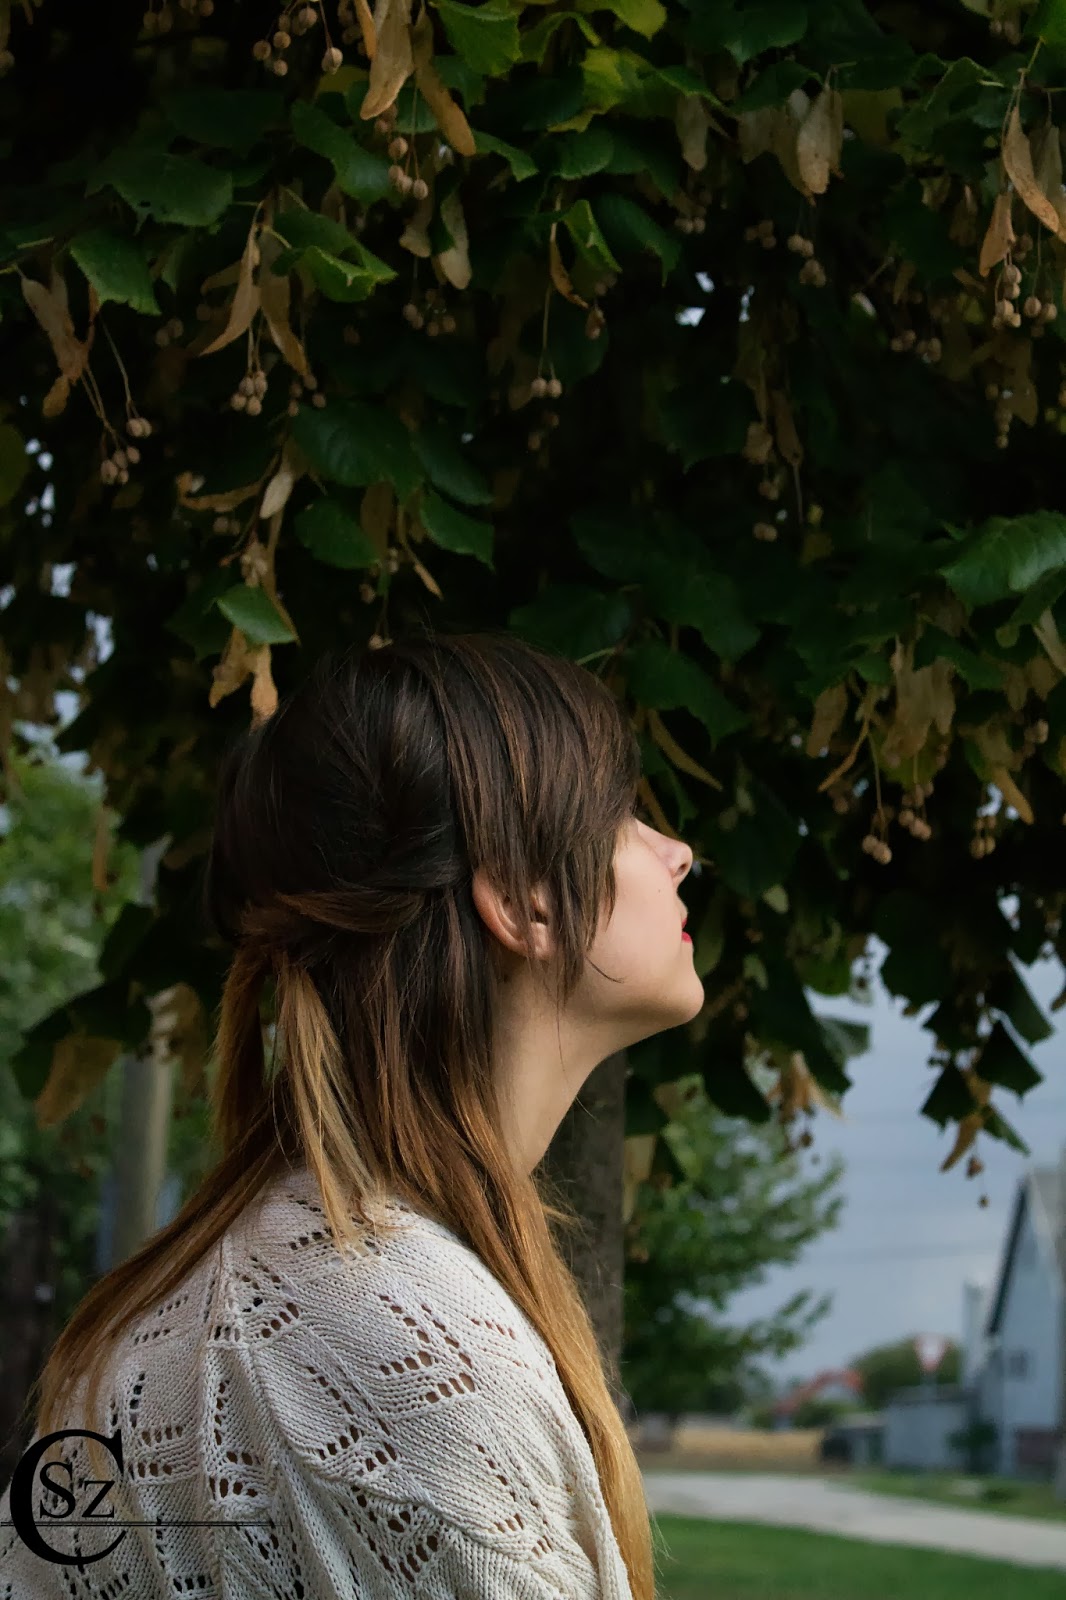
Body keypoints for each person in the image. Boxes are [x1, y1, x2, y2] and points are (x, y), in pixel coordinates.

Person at [1, 627, 702, 1598]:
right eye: (621, 814)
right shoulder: (413, 1365)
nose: (677, 852)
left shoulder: (286, 1283)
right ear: (521, 900)